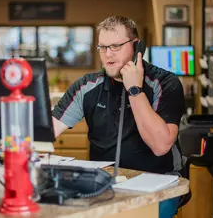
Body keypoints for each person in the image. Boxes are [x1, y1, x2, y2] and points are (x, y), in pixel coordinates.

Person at [52, 15, 186, 218]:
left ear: (137, 47)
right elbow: (47, 131)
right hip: (104, 186)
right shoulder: (87, 86)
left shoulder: (165, 83)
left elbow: (161, 146)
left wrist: (134, 90)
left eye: (115, 46)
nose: (108, 55)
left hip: (158, 185)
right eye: (102, 47)